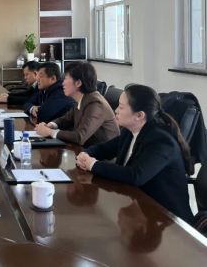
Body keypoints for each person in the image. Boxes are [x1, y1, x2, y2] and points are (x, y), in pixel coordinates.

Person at [76, 84, 194, 224]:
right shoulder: (130, 131)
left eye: (121, 107)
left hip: (168, 220)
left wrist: (93, 165)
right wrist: (85, 154)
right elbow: (103, 149)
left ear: (139, 115)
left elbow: (135, 175)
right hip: (140, 206)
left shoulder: (161, 141)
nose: (115, 110)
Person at [35, 62, 119, 146]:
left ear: (78, 83)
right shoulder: (83, 98)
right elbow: (66, 119)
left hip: (101, 152)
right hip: (85, 149)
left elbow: (80, 137)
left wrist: (50, 132)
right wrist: (50, 125)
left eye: (65, 79)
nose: (63, 83)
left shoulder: (95, 103)